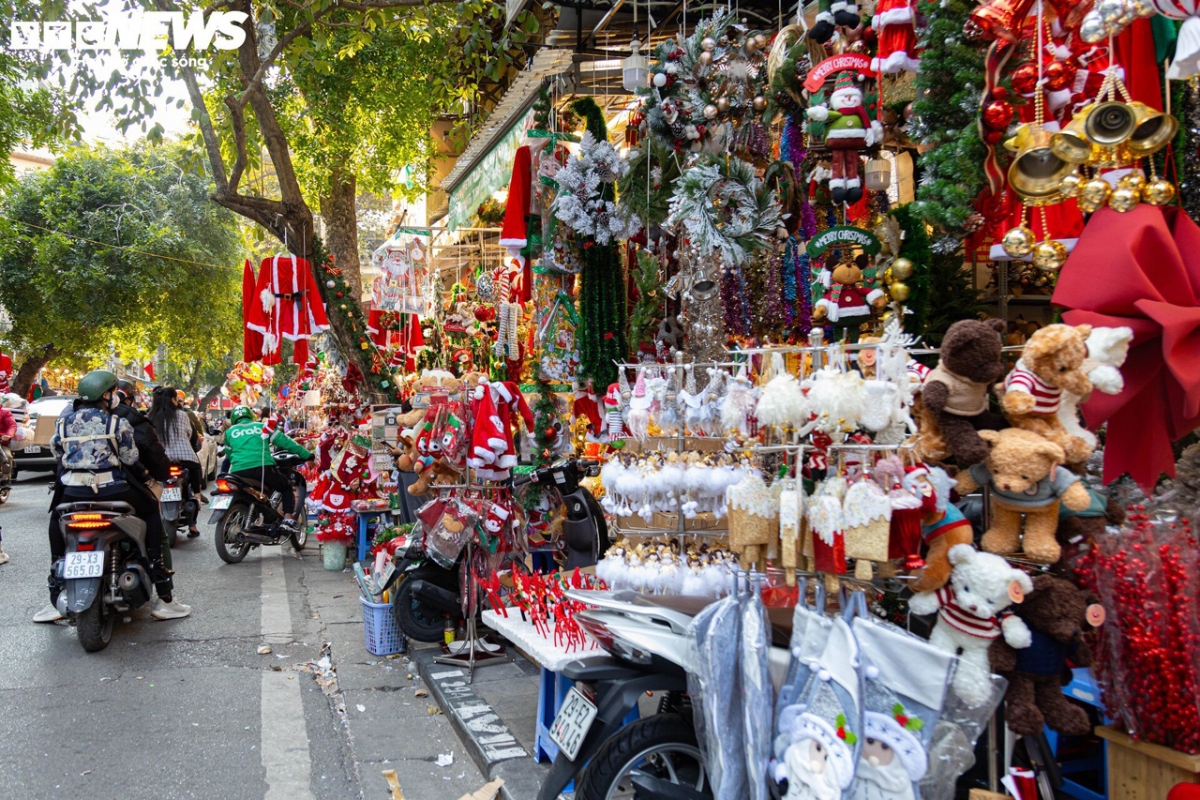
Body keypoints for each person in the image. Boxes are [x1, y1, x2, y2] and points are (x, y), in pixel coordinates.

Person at [34, 370, 190, 623]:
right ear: (107, 395)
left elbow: (56, 451)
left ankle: (55, 591)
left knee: (56, 519)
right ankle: (164, 594)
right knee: (151, 512)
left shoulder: (63, 422)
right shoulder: (119, 422)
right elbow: (130, 457)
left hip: (72, 491)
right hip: (115, 490)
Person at [224, 405, 312, 531]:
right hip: (262, 469)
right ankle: (288, 518)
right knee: (286, 486)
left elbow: (229, 454)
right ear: (251, 415)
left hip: (238, 472)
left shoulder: (229, 432)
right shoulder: (262, 427)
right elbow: (285, 441)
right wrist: (306, 454)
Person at [149, 386, 204, 538]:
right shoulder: (182, 415)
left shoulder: (150, 416)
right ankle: (193, 523)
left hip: (160, 460)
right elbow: (190, 435)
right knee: (193, 486)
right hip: (184, 459)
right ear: (173, 399)